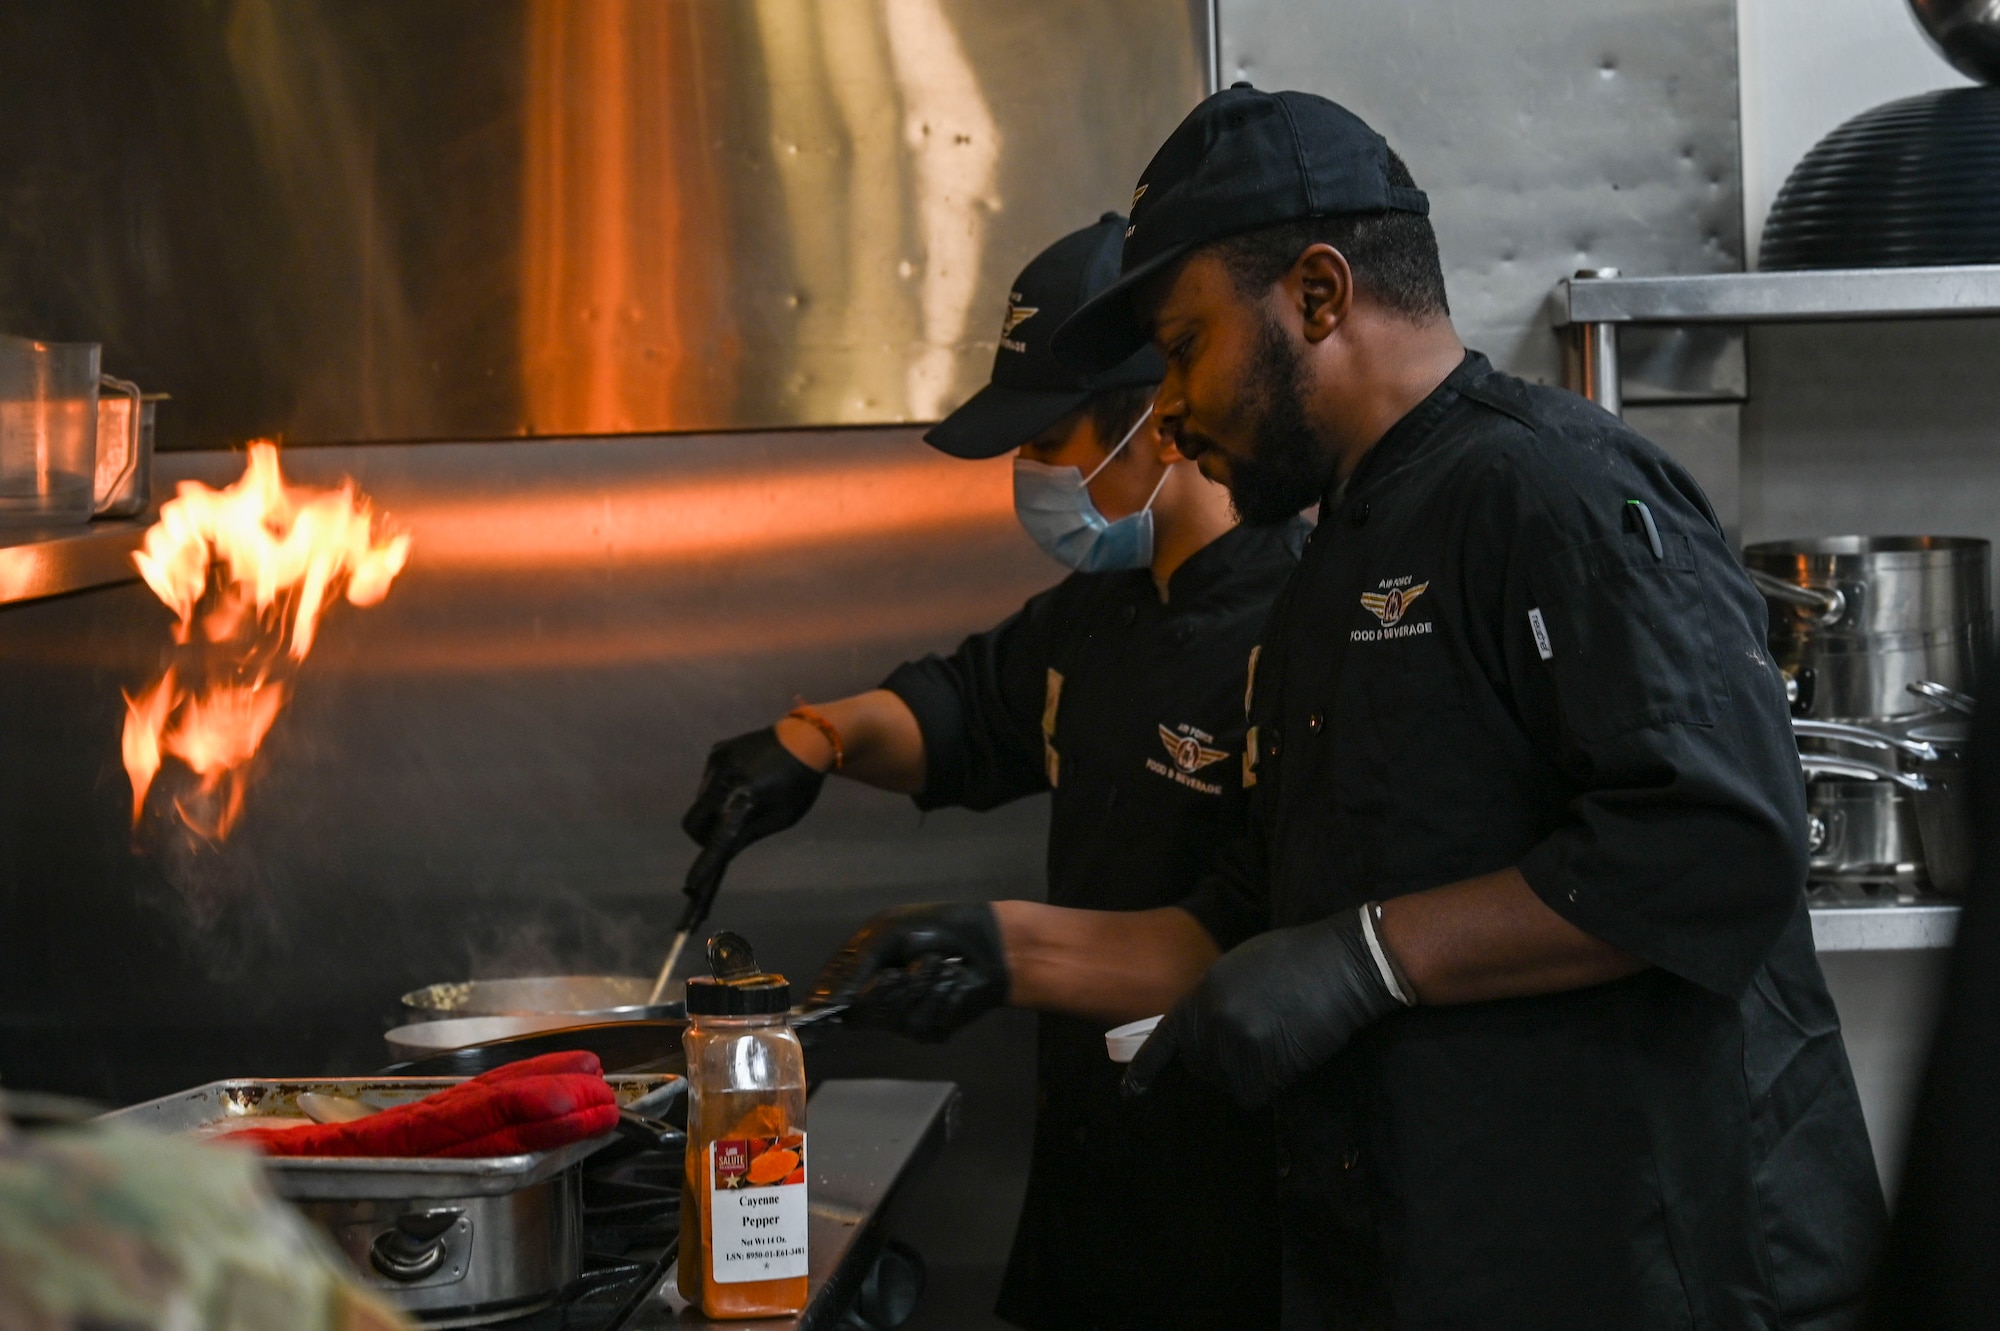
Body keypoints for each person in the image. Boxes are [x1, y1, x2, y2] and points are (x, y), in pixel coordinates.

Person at [820, 86, 1888, 1330]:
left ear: (1318, 296)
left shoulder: (1547, 490)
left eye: (1182, 347)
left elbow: (1714, 842)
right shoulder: (1331, 558)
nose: (1163, 409)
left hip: (1654, 1259)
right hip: (1439, 1255)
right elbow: (1293, 882)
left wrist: (1362, 956)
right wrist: (1036, 948)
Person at [682, 214, 1296, 1330]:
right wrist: (814, 740)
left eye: (1048, 439)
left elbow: (1255, 925)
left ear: (1156, 416)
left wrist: (999, 944)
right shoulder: (1099, 613)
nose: (1029, 473)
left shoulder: (1293, 625)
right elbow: (962, 710)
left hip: (1240, 1209)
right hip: (1089, 1193)